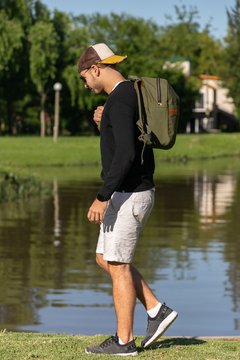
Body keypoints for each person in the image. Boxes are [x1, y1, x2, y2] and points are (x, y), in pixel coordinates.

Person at [78, 43, 178, 356]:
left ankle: (125, 342)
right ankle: (156, 309)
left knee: (118, 265)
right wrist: (102, 124)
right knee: (105, 259)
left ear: (96, 68)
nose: (85, 84)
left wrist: (102, 196)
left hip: (129, 193)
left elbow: (126, 155)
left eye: (85, 78)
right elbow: (124, 143)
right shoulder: (124, 96)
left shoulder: (120, 99)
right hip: (130, 191)